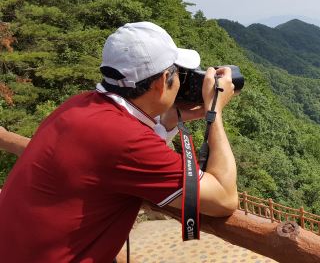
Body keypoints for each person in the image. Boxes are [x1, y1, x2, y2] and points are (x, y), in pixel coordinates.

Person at [0, 22, 238, 262]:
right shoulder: (125, 140)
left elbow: (118, 158)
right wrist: (214, 111)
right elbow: (224, 198)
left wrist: (168, 122)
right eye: (179, 74)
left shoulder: (78, 105)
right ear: (162, 80)